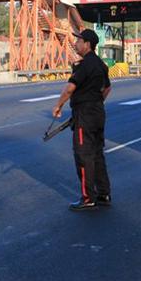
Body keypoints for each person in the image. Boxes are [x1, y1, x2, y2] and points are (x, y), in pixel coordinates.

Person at [53, 29, 112, 211]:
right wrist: (94, 101)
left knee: (83, 156)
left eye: (78, 41)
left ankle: (88, 198)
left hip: (84, 116)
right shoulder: (101, 65)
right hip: (98, 113)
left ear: (87, 44)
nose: (75, 44)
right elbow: (107, 89)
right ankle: (104, 194)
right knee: (97, 154)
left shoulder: (84, 65)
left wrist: (58, 106)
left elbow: (70, 89)